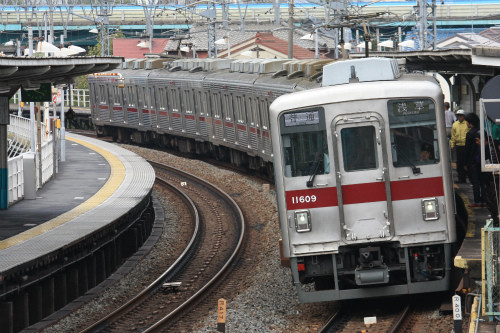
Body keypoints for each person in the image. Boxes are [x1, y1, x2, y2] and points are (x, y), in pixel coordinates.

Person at [464, 113, 485, 207]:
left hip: (472, 161)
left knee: (475, 181)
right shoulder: (482, 131)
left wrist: (465, 163)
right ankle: (484, 200)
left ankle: (477, 201)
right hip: (482, 160)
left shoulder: (469, 134)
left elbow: (467, 150)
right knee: (482, 181)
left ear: (470, 123)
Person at [450, 109, 469, 183]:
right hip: (458, 146)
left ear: (464, 116)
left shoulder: (467, 124)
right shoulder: (455, 124)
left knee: (466, 162)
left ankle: (467, 176)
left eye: (461, 116)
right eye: (458, 116)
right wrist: (452, 144)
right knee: (459, 163)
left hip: (466, 145)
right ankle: (461, 178)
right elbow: (453, 136)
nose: (460, 117)